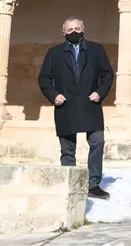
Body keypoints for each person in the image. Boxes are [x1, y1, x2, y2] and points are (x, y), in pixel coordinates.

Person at [38, 16, 115, 199]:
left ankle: (93, 184)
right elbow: (44, 78)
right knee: (67, 148)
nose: (74, 32)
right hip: (66, 105)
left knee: (97, 142)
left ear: (84, 29)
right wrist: (54, 95)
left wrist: (99, 92)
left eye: (77, 29)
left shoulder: (96, 50)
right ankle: (69, 182)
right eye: (70, 30)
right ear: (63, 32)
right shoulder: (54, 53)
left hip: (91, 104)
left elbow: (107, 74)